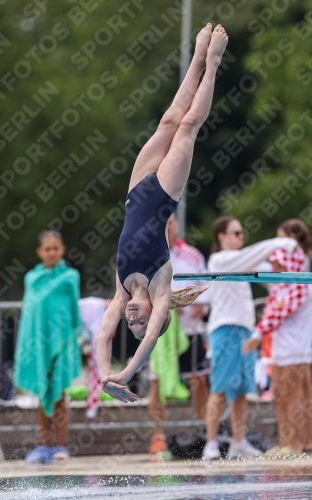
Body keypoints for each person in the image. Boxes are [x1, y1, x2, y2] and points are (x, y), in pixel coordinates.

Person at [96, 24, 228, 402]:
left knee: (169, 119)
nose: (133, 320)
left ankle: (198, 51)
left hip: (136, 190)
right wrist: (126, 373)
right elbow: (152, 337)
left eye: (131, 324)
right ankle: (213, 64)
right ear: (157, 310)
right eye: (140, 321)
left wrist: (106, 376)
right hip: (165, 192)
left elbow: (104, 335)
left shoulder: (121, 292)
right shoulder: (160, 284)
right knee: (187, 126)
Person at [202, 216, 298, 460]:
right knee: (220, 389)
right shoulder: (220, 259)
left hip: (244, 329)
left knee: (242, 390)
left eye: (242, 233)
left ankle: (238, 441)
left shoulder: (241, 261)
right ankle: (211, 443)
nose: (241, 237)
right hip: (224, 329)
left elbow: (271, 270)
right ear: (221, 237)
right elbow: (253, 257)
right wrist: (277, 242)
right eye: (236, 233)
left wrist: (292, 258)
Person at [244, 218, 312, 456]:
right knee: (282, 393)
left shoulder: (301, 279)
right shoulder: (285, 281)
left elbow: (280, 312)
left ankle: (297, 444)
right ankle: (287, 442)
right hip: (283, 346)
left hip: (297, 346)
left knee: (294, 396)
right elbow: (274, 308)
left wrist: (258, 334)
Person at [14, 231, 82, 464]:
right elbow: (30, 314)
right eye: (47, 249)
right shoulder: (31, 278)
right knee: (42, 394)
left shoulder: (70, 277)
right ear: (40, 252)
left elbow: (74, 313)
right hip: (38, 345)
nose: (52, 252)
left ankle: (60, 446)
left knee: (60, 395)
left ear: (61, 250)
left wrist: (74, 339)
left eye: (56, 248)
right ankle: (44, 446)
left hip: (61, 344)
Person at [148, 215, 210, 454]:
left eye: (170, 220)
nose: (166, 224)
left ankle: (206, 430)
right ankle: (157, 435)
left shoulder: (192, 255)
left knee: (198, 379)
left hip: (189, 328)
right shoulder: (148, 253)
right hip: (160, 330)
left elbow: (205, 284)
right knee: (156, 382)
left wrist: (198, 304)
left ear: (176, 224)